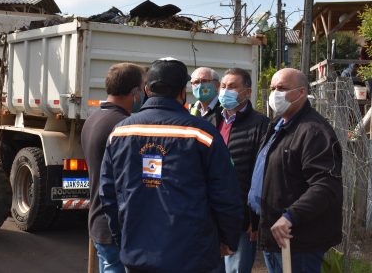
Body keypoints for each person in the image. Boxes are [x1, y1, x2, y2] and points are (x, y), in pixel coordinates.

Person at [99, 58, 244, 273]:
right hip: (194, 257)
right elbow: (225, 195)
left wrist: (124, 239)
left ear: (147, 89)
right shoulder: (203, 134)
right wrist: (229, 239)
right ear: (183, 92)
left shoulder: (120, 132)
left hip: (138, 255)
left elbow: (108, 194)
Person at [248, 68, 342, 273]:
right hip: (274, 233)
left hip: (298, 240)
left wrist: (291, 216)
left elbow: (325, 185)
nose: (275, 94)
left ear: (301, 93)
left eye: (282, 88)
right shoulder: (279, 126)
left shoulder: (313, 131)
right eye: (272, 88)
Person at [81, 62, 146, 273]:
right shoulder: (123, 126)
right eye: (143, 88)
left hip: (99, 220)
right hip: (115, 226)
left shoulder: (94, 118)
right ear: (135, 92)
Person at [215, 68, 269, 273]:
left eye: (232, 87)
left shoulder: (260, 124)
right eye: (223, 86)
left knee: (236, 269)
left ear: (247, 92)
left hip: (241, 217)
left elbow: (261, 172)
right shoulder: (213, 121)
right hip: (211, 214)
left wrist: (254, 217)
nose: (225, 91)